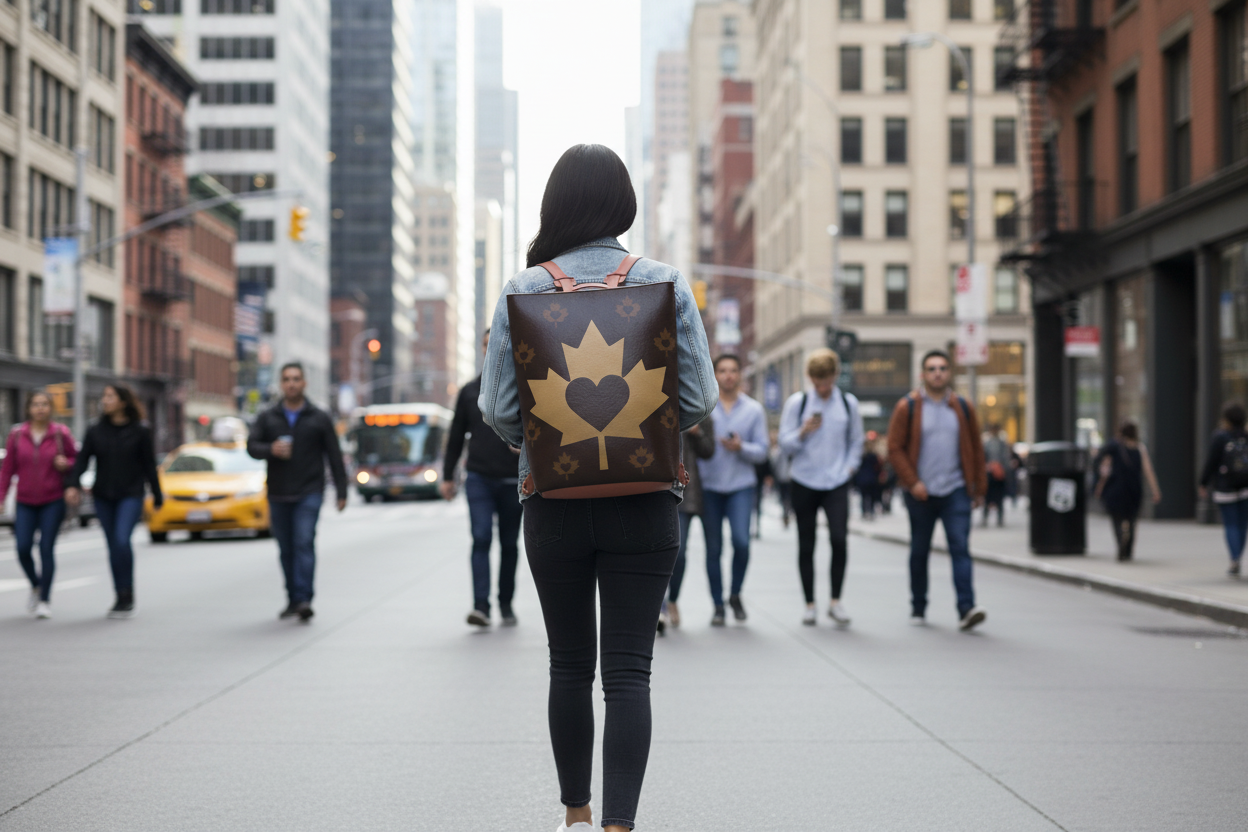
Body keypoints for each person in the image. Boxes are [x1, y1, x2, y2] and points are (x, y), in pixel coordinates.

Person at [478, 144, 716, 832]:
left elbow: (496, 408)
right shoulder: (665, 281)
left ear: (556, 206)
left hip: (552, 503)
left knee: (569, 666)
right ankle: (620, 825)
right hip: (646, 501)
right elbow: (697, 398)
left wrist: (550, 446)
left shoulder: (524, 289)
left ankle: (576, 814)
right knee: (628, 674)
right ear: (623, 206)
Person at [886, 350, 989, 631]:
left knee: (960, 548)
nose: (938, 373)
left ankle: (966, 608)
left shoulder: (963, 407)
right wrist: (912, 481)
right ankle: (918, 605)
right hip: (921, 493)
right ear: (923, 374)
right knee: (920, 550)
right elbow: (894, 449)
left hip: (955, 490)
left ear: (949, 373)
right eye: (932, 369)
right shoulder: (907, 407)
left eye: (943, 368)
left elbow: (975, 450)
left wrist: (979, 487)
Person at [247, 362, 348, 622]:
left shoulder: (319, 416)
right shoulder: (268, 416)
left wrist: (342, 491)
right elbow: (251, 447)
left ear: (304, 383)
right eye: (286, 379)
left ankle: (304, 599)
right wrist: (271, 449)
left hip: (309, 491)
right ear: (281, 384)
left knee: (303, 542)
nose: (291, 383)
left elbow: (334, 455)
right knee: (286, 548)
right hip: (279, 493)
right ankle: (292, 598)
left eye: (296, 379)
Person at [442, 329, 523, 627]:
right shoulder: (468, 391)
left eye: (497, 345)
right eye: (486, 345)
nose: (491, 350)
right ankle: (481, 606)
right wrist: (447, 477)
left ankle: (505, 603)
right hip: (478, 477)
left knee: (510, 544)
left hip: (513, 480)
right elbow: (454, 437)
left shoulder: (522, 388)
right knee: (481, 538)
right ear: (481, 349)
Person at [778, 349, 864, 626]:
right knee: (807, 543)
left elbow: (856, 441)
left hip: (837, 481)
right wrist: (803, 431)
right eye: (816, 381)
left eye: (825, 380)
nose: (821, 386)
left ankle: (836, 602)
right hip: (804, 480)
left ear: (835, 376)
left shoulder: (848, 404)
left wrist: (849, 468)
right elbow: (784, 443)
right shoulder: (798, 403)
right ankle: (810, 604)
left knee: (839, 539)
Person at [65, 385, 161, 619]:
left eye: (110, 397)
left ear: (123, 401)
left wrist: (158, 495)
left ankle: (127, 594)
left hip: (131, 494)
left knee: (121, 540)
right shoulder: (95, 430)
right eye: (104, 397)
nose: (105, 401)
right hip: (103, 495)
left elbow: (149, 464)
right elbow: (83, 460)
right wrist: (73, 484)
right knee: (112, 545)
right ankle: (119, 595)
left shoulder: (140, 430)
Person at [699, 354, 769, 625]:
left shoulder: (753, 410)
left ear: (740, 375)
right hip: (709, 486)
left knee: (741, 542)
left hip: (741, 485)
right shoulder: (704, 407)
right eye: (723, 370)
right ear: (714, 374)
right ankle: (718, 604)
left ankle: (736, 593)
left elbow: (763, 452)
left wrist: (742, 448)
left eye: (733, 370)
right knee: (713, 549)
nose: (728, 375)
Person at [0, 391, 76, 618]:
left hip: (52, 499)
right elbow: (7, 470)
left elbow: (76, 460)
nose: (40, 408)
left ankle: (44, 599)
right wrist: (1, 497)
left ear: (51, 408)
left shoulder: (61, 434)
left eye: (44, 404)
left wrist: (67, 463)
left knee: (46, 548)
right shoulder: (16, 435)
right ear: (29, 408)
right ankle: (35, 584)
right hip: (25, 500)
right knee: (22, 548)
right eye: (35, 404)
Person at [660, 416, 715, 633]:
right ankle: (661, 607)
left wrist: (697, 432)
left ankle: (672, 599)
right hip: (655, 487)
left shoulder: (697, 408)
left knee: (679, 552)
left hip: (685, 493)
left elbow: (709, 450)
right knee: (657, 552)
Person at [1094, 421, 1161, 562]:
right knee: (1131, 520)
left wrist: (1099, 485)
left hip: (1115, 489)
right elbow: (1148, 470)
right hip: (1134, 489)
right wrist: (1155, 490)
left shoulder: (1114, 446)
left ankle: (1120, 543)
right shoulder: (1140, 448)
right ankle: (1128, 549)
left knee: (1117, 520)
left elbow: (1102, 465)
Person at [1200, 403, 1248, 576]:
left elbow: (1211, 462)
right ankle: (1238, 556)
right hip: (1245, 487)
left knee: (1231, 524)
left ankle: (1234, 559)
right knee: (1242, 525)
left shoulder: (1220, 437)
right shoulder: (1245, 435)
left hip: (1225, 488)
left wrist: (1203, 483)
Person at [983, 424, 1010, 527]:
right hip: (990, 474)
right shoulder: (988, 443)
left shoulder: (1002, 444)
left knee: (999, 498)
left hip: (999, 474)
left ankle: (999, 518)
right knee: (988, 498)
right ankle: (986, 517)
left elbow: (1006, 459)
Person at [769, 427, 794, 528]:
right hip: (782, 478)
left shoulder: (792, 451)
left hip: (791, 478)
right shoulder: (780, 451)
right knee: (784, 498)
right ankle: (786, 512)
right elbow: (775, 464)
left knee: (789, 498)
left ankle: (787, 511)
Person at [856, 438, 883, 520]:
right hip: (872, 479)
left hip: (862, 479)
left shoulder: (861, 456)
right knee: (871, 496)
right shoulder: (874, 456)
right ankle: (870, 511)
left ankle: (864, 512)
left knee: (863, 496)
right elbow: (878, 467)